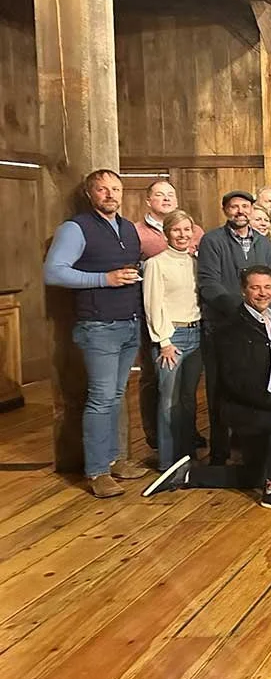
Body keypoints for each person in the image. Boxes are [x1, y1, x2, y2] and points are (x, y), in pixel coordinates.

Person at [141, 266, 271, 513]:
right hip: (239, 407)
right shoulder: (232, 329)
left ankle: (188, 475)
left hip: (266, 401)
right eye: (255, 287)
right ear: (243, 291)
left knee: (259, 474)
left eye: (267, 287)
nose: (263, 293)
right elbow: (236, 382)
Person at [43, 170, 149, 497]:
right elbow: (53, 272)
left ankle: (114, 459)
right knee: (101, 398)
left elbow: (130, 267)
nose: (109, 194)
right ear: (90, 194)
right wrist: (104, 279)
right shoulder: (76, 228)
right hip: (99, 326)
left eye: (115, 189)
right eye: (102, 189)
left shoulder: (128, 228)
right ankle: (97, 472)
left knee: (116, 397)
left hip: (128, 322)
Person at [197, 189, 271, 465]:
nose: (240, 211)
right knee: (220, 389)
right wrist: (243, 311)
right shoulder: (213, 240)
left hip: (259, 328)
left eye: (245, 206)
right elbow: (209, 284)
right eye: (234, 207)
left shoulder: (263, 243)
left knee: (254, 385)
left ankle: (251, 449)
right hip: (223, 327)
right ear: (225, 210)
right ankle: (219, 453)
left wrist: (263, 309)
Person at [134, 179, 203, 452]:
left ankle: (186, 453)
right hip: (171, 337)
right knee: (168, 400)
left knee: (188, 399)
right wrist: (164, 341)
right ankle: (167, 458)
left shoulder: (196, 263)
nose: (183, 235)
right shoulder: (155, 264)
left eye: (187, 230)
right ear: (167, 234)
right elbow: (153, 305)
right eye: (177, 230)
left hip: (196, 334)